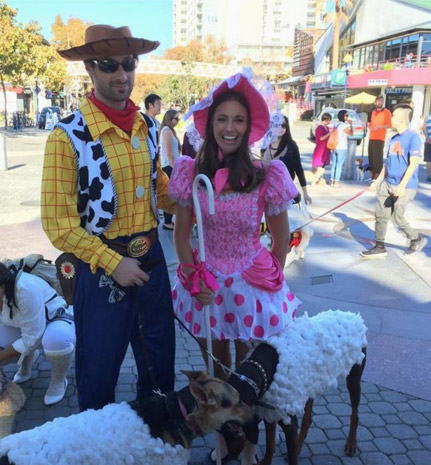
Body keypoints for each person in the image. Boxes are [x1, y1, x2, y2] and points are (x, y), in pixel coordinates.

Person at [169, 72, 302, 465]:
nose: (230, 127)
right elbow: (180, 235)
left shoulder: (266, 174)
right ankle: (221, 440)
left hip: (250, 287)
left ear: (250, 126)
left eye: (239, 120)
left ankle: (246, 446)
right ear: (210, 124)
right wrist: (194, 278)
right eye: (222, 119)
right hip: (207, 287)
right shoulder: (191, 171)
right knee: (214, 372)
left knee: (245, 376)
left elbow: (280, 239)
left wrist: (270, 281)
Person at [41, 25, 176, 411]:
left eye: (129, 64)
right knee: (98, 376)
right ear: (90, 69)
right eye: (108, 66)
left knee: (159, 369)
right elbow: (58, 224)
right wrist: (114, 263)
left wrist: (204, 200)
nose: (122, 75)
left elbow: (160, 193)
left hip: (151, 261)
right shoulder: (68, 136)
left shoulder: (148, 126)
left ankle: (154, 444)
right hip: (101, 267)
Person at [0, 262, 75, 406]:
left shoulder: (25, 288)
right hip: (27, 325)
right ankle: (26, 361)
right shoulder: (3, 289)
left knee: (56, 340)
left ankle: (58, 380)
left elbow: (31, 338)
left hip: (55, 320)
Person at [361, 104, 427, 259]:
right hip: (387, 183)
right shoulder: (392, 138)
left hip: (405, 185)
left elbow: (413, 164)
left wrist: (402, 186)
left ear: (402, 119)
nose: (391, 118)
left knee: (397, 216)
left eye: (394, 115)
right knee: (381, 215)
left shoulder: (413, 137)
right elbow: (387, 163)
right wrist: (377, 182)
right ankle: (379, 246)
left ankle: (416, 238)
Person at [262, 115, 312, 204]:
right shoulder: (264, 146)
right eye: (277, 125)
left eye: (284, 125)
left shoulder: (291, 146)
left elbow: (298, 169)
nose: (281, 128)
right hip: (266, 193)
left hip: (284, 193)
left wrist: (305, 193)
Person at [159, 109, 181, 230]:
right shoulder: (167, 130)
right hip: (169, 166)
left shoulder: (170, 130)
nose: (178, 121)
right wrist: (176, 167)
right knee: (170, 194)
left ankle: (169, 219)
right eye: (176, 119)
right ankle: (167, 221)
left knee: (172, 194)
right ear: (169, 118)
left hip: (171, 166)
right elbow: (169, 153)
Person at [368, 96, 392, 180]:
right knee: (371, 157)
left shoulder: (387, 112)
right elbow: (371, 123)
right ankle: (372, 175)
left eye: (382, 101)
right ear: (375, 102)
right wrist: (368, 126)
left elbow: (389, 125)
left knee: (377, 158)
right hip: (371, 137)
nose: (380, 102)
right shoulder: (373, 111)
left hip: (380, 138)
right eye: (378, 101)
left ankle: (378, 177)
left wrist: (378, 127)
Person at [330, 110, 353, 188]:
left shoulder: (335, 124)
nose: (347, 117)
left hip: (334, 146)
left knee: (334, 165)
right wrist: (351, 125)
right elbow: (351, 134)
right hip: (342, 147)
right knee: (339, 165)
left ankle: (332, 181)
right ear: (343, 116)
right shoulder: (344, 126)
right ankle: (336, 182)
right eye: (346, 115)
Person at [311, 112, 332, 185]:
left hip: (326, 149)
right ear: (325, 119)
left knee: (323, 165)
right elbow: (320, 138)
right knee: (319, 165)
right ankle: (315, 179)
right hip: (320, 149)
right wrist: (329, 134)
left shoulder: (327, 128)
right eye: (329, 120)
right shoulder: (319, 128)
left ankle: (319, 179)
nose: (329, 122)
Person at [423, 113, 431, 182]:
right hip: (428, 141)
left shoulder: (427, 117)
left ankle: (429, 175)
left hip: (428, 141)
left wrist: (427, 137)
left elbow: (424, 128)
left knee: (428, 159)